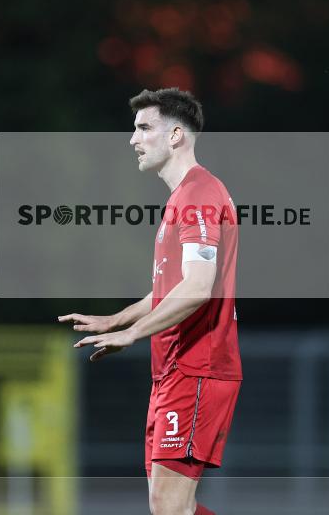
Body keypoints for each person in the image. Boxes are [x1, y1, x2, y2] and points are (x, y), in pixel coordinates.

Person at [59, 88, 241, 515]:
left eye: (144, 128)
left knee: (169, 507)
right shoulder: (183, 197)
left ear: (176, 135)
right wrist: (117, 319)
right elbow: (172, 287)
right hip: (176, 369)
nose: (132, 139)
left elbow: (198, 287)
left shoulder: (198, 194)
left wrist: (134, 334)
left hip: (198, 366)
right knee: (171, 507)